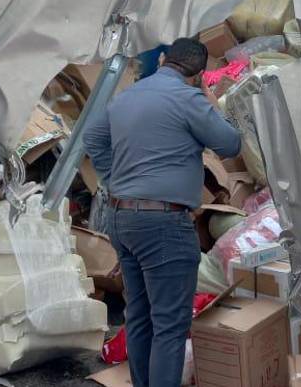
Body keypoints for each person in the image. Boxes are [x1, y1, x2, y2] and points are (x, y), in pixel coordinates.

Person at [83, 37, 241, 387]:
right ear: (199, 74)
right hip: (164, 224)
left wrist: (114, 180)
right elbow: (230, 144)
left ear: (164, 60)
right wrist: (207, 98)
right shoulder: (189, 99)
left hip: (121, 218)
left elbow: (92, 138)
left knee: (139, 316)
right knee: (170, 325)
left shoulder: (128, 95)